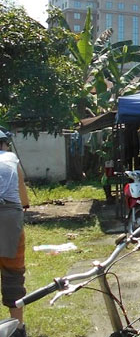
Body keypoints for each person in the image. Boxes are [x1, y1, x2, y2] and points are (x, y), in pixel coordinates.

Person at [0, 130, 30, 337]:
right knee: (12, 273)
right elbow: (23, 195)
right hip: (9, 218)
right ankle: (17, 328)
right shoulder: (10, 159)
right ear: (3, 145)